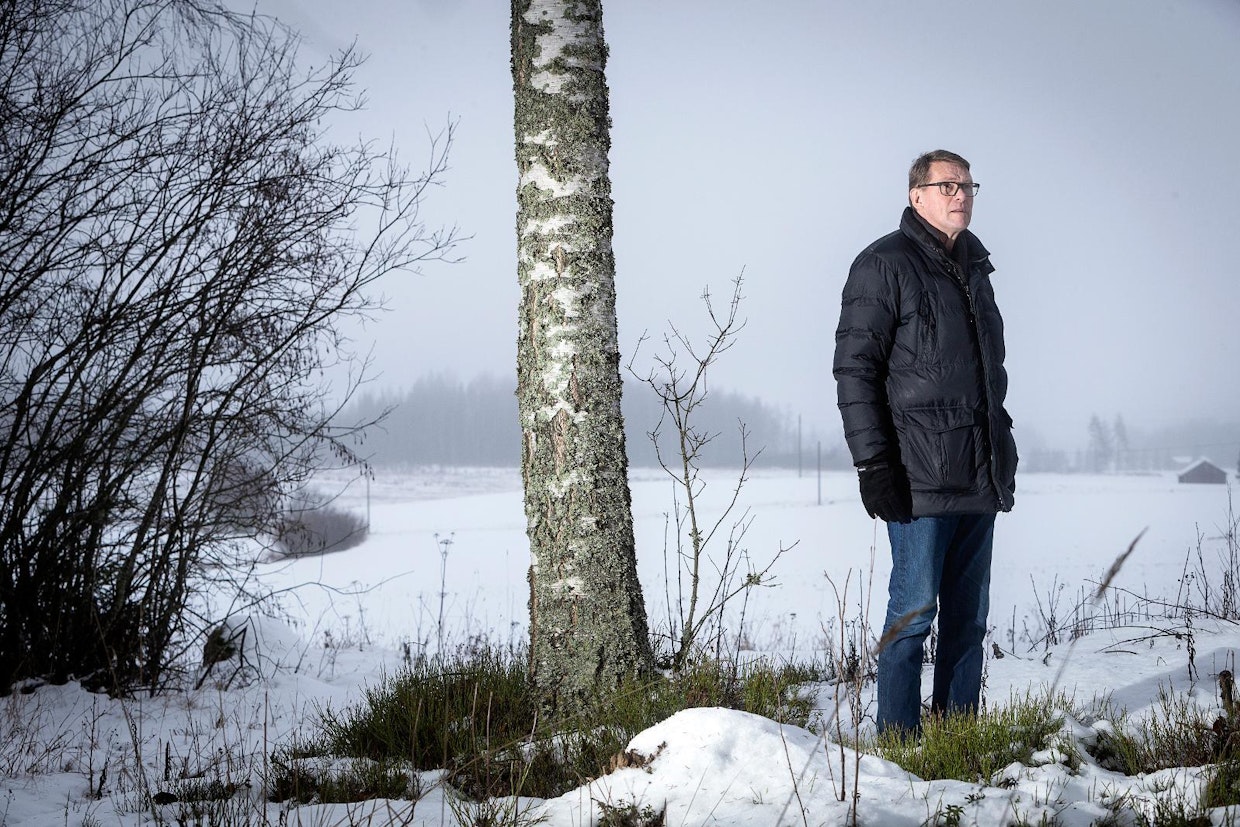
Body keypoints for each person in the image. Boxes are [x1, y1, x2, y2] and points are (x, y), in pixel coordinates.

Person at [832, 149, 1018, 736]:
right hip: (917, 478)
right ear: (917, 196)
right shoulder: (883, 264)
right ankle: (898, 748)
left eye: (968, 186)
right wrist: (873, 465)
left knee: (969, 622)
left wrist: (1000, 452)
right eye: (947, 186)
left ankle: (954, 742)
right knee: (912, 620)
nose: (961, 195)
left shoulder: (976, 267)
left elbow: (987, 377)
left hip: (979, 474)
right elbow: (855, 372)